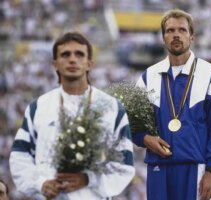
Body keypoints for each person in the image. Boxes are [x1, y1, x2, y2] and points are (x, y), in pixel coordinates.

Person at [9, 32, 135, 199]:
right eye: (65, 54)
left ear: (89, 63)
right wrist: (40, 184)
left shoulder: (111, 107)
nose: (72, 59)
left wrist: (89, 179)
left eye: (79, 54)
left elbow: (124, 164)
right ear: (55, 64)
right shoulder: (39, 106)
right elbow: (20, 155)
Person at [134, 9, 211, 200]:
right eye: (170, 31)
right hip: (158, 168)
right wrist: (145, 139)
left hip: (195, 168)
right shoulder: (147, 77)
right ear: (163, 37)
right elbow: (132, 124)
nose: (176, 35)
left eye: (182, 30)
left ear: (192, 36)